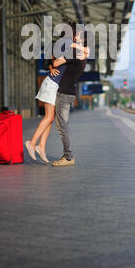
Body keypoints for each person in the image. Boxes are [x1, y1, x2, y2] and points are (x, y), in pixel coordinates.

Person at [25, 25, 89, 163]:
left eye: (78, 35)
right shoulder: (65, 46)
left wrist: (75, 46)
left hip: (56, 86)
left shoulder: (75, 50)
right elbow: (51, 61)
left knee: (51, 118)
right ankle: (32, 143)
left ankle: (41, 147)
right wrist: (50, 66)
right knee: (50, 118)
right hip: (52, 84)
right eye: (75, 34)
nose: (76, 36)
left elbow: (86, 51)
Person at [52, 24, 89, 167]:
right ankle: (68, 155)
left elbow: (56, 62)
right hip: (69, 91)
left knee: (62, 125)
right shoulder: (82, 54)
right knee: (62, 124)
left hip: (64, 91)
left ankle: (68, 156)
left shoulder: (75, 53)